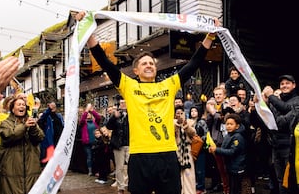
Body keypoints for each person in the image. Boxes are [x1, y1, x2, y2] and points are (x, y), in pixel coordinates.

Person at [76, 11, 219, 194]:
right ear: (136, 70)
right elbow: (105, 62)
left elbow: (193, 64)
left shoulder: (169, 85)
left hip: (167, 155)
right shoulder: (128, 86)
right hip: (139, 157)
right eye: (144, 64)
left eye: (151, 63)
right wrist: (88, 31)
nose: (149, 66)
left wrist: (210, 36)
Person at [0, 95, 45, 194]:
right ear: (12, 108)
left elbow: (40, 137)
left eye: (24, 105)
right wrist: (24, 126)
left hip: (31, 173)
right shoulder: (5, 123)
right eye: (19, 104)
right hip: (11, 174)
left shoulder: (30, 122)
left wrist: (33, 128)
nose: (22, 107)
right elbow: (9, 135)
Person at [262, 75, 299, 194]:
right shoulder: (276, 100)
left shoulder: (297, 100)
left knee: (290, 178)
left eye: (287, 83)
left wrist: (271, 96)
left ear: (294, 85)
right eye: (282, 84)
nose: (284, 85)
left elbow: (281, 122)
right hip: (276, 145)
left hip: (290, 147)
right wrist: (258, 106)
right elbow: (266, 121)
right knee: (279, 179)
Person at [209, 113, 247, 194]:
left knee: (235, 189)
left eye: (231, 124)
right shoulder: (228, 135)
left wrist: (217, 150)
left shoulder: (237, 137)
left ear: (237, 126)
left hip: (237, 167)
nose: (229, 126)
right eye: (227, 124)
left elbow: (232, 152)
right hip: (230, 166)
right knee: (231, 188)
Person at [106, 97, 129, 194]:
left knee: (131, 165)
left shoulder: (132, 113)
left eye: (125, 102)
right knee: (119, 167)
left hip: (130, 143)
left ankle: (128, 183)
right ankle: (121, 187)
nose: (123, 104)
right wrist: (113, 117)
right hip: (118, 144)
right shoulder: (116, 115)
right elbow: (108, 126)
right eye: (121, 103)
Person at [174, 105, 196, 194]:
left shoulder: (190, 122)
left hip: (187, 150)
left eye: (181, 113)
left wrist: (185, 125)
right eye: (177, 113)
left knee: (188, 173)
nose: (179, 115)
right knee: (177, 174)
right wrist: (177, 124)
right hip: (176, 150)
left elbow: (193, 133)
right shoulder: (171, 122)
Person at [189, 105, 208, 194]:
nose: (193, 113)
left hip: (200, 149)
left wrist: (198, 140)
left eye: (195, 111)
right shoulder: (188, 122)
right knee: (193, 169)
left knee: (200, 169)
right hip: (190, 148)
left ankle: (201, 187)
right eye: (192, 111)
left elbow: (206, 134)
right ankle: (195, 185)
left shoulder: (201, 122)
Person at [79, 103, 102, 176]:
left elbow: (98, 117)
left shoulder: (95, 122)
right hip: (87, 143)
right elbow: (82, 119)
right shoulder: (83, 123)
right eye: (87, 114)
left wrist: (92, 110)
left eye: (89, 114)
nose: (88, 115)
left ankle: (97, 170)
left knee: (97, 157)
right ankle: (90, 170)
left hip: (95, 142)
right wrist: (86, 110)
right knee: (89, 157)